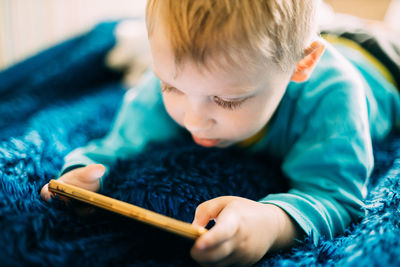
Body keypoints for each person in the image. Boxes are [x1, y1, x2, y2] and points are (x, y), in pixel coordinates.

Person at [40, 0, 400, 266]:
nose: (194, 120)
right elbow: (114, 148)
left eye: (227, 100)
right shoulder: (175, 79)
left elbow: (336, 196)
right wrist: (85, 173)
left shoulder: (334, 98)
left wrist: (271, 223)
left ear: (301, 65)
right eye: (171, 86)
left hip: (382, 62)